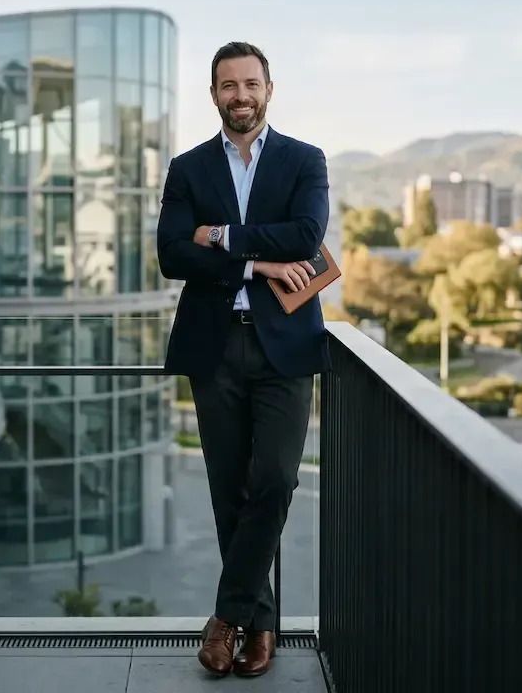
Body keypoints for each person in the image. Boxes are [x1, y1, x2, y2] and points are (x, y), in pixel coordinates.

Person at [156, 41, 330, 678]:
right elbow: (173, 254)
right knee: (229, 490)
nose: (241, 95)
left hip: (285, 343)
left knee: (277, 479)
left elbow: (306, 236)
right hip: (214, 344)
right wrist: (256, 261)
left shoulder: (304, 160)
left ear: (269, 88)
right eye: (228, 85)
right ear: (213, 95)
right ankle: (261, 625)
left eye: (250, 83)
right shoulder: (188, 168)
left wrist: (222, 238)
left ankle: (227, 619)